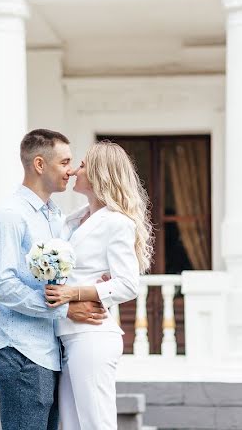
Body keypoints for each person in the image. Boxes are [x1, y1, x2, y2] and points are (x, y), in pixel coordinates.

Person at [0, 129, 109, 430]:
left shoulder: (55, 216)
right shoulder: (10, 216)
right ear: (40, 164)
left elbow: (62, 276)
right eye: (65, 162)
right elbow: (3, 286)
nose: (72, 170)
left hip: (50, 351)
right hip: (21, 352)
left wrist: (93, 283)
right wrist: (64, 308)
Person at [45, 141, 154, 430]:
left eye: (81, 165)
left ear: (98, 174)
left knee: (96, 424)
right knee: (72, 425)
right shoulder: (73, 220)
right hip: (66, 335)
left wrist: (75, 293)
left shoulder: (116, 223)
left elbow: (128, 284)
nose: (74, 171)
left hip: (91, 336)